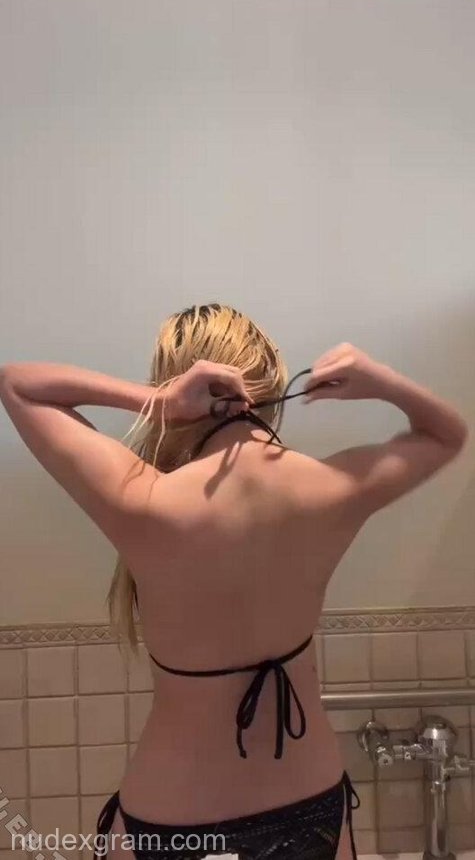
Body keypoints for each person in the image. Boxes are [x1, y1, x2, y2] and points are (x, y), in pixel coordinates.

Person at [1, 304, 468, 860]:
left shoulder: (143, 498)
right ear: (271, 385)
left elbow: (18, 384)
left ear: (181, 384)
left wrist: (156, 402)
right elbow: (447, 434)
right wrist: (380, 380)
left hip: (175, 814)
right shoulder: (330, 487)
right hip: (310, 803)